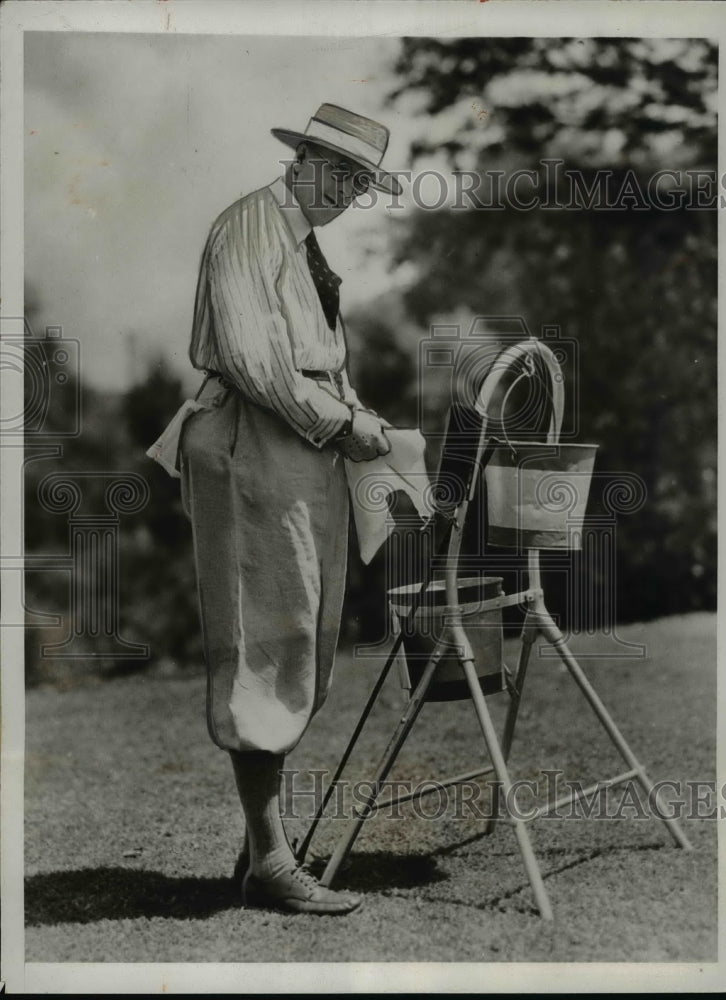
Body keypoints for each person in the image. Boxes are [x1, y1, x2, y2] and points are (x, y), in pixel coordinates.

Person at [178, 104, 400, 915]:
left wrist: (357, 417)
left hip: (299, 448)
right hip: (251, 439)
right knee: (263, 635)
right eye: (336, 170)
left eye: (360, 181)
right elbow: (255, 361)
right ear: (300, 158)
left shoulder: (301, 240)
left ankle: (259, 848)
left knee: (299, 630)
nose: (345, 190)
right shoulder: (250, 225)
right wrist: (342, 424)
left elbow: (316, 362)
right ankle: (271, 861)